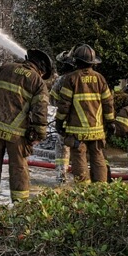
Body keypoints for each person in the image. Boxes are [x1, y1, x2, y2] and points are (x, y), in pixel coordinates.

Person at [0, 49, 53, 210]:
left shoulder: (5, 68)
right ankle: (20, 204)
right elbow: (40, 111)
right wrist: (39, 133)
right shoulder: (38, 82)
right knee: (19, 166)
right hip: (17, 133)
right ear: (41, 68)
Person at [54, 44, 114, 184]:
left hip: (77, 130)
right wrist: (110, 122)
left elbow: (64, 104)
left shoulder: (71, 79)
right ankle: (101, 188)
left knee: (79, 157)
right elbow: (108, 103)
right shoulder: (100, 79)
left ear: (76, 61)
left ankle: (83, 190)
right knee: (98, 157)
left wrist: (59, 121)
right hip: (97, 130)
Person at [48, 49, 77, 183]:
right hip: (87, 122)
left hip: (65, 120)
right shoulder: (85, 78)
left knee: (62, 148)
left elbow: (52, 100)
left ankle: (61, 176)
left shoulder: (61, 80)